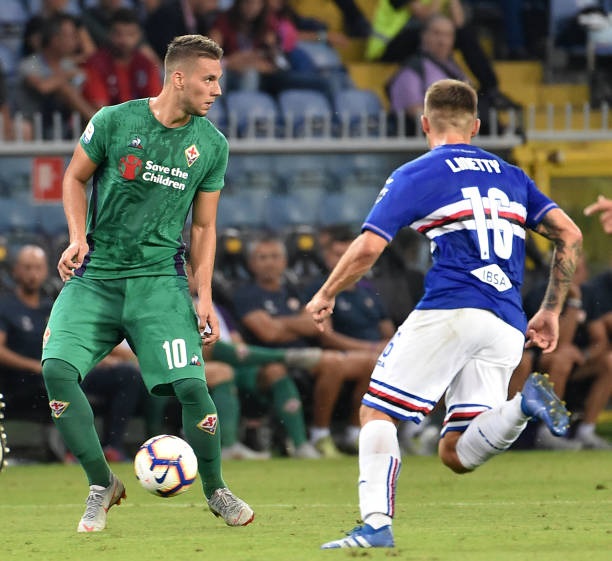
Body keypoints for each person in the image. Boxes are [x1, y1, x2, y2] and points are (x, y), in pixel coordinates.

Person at [306, 78, 583, 549]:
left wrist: (327, 291)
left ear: (423, 123)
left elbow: (370, 246)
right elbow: (570, 235)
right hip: (507, 321)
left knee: (376, 412)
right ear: (475, 126)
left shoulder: (418, 173)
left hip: (453, 306)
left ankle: (375, 525)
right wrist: (551, 310)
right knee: (456, 452)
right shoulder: (512, 175)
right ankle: (522, 407)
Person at [40, 34, 254, 533]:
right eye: (209, 79)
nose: (217, 90)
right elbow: (74, 178)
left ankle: (216, 489)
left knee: (189, 385)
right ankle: (102, 483)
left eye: (218, 80)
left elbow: (203, 228)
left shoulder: (212, 146)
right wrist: (76, 238)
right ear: (178, 78)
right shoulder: (114, 122)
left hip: (159, 280)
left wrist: (203, 297)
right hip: (96, 276)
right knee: (55, 370)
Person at [232, 234, 376, 457]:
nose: (269, 262)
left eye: (274, 256)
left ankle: (349, 432)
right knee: (323, 361)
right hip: (268, 358)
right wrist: (297, 322)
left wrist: (280, 323)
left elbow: (316, 325)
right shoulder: (245, 294)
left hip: (306, 354)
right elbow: (268, 334)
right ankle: (311, 438)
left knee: (368, 364)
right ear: (251, 263)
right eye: (262, 257)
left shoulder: (294, 290)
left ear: (284, 261)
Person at [366, 0, 519, 110]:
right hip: (388, 46)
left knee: (464, 35)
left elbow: (459, 23)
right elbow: (426, 17)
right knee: (435, 32)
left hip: (414, 39)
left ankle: (491, 88)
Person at [16, 13, 96, 139]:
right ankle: (98, 122)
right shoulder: (30, 63)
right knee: (64, 89)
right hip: (33, 122)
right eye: (70, 36)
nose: (76, 41)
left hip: (64, 122)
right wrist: (65, 78)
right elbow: (43, 87)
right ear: (54, 39)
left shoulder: (68, 65)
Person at [81, 8, 162, 110]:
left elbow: (156, 105)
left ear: (139, 36)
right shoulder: (96, 63)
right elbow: (100, 109)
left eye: (130, 35)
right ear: (109, 34)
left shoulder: (146, 64)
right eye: (118, 34)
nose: (124, 40)